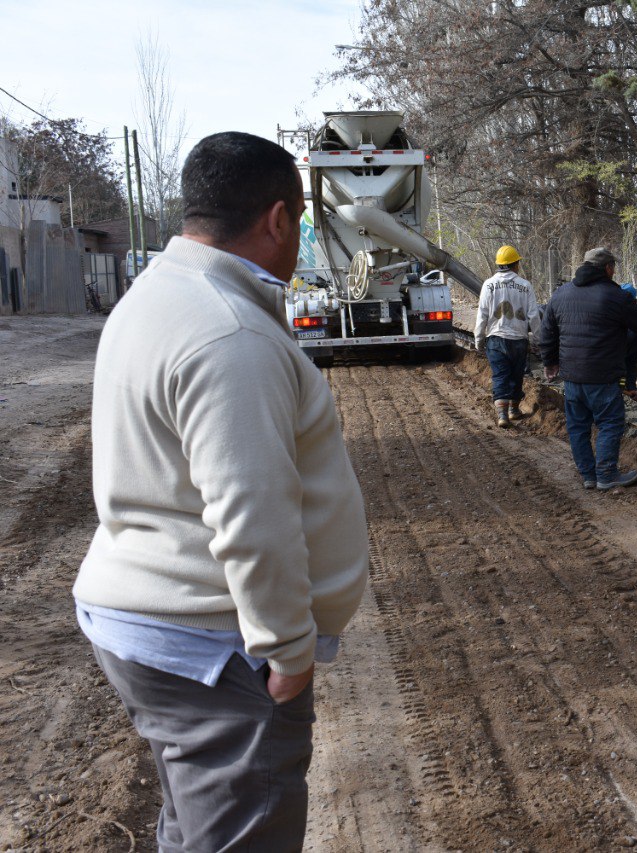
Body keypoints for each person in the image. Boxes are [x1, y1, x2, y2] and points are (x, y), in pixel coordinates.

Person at [73, 132, 370, 850]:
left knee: (195, 829)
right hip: (214, 644)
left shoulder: (158, 296)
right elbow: (252, 515)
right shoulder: (231, 332)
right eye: (299, 222)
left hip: (155, 621)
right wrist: (288, 651)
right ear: (278, 219)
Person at [540, 247, 637, 490]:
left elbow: (547, 332)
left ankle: (588, 475)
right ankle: (606, 474)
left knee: (578, 426)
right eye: (613, 267)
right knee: (610, 423)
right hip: (601, 375)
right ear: (608, 268)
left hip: (572, 376)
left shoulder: (561, 294)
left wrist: (549, 362)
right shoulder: (614, 296)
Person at [475, 244, 540, 427]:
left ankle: (502, 415)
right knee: (517, 375)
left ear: (499, 264)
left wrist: (479, 339)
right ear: (515, 264)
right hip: (519, 340)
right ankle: (513, 410)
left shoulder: (488, 285)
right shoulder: (525, 286)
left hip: (496, 339)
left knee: (500, 375)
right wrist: (537, 340)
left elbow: (482, 314)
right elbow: (534, 316)